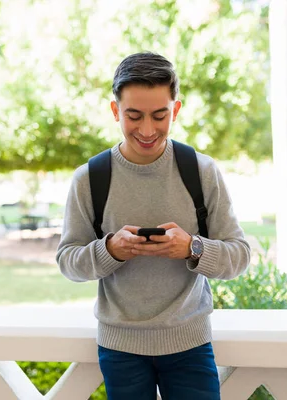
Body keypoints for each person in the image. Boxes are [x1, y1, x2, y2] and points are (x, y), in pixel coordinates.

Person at [55, 52, 251, 399]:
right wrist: (110, 250)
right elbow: (68, 262)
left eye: (159, 116)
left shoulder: (201, 172)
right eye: (134, 116)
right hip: (120, 351)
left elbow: (240, 255)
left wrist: (193, 248)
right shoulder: (89, 179)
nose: (147, 130)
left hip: (190, 344)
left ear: (175, 110)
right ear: (115, 111)